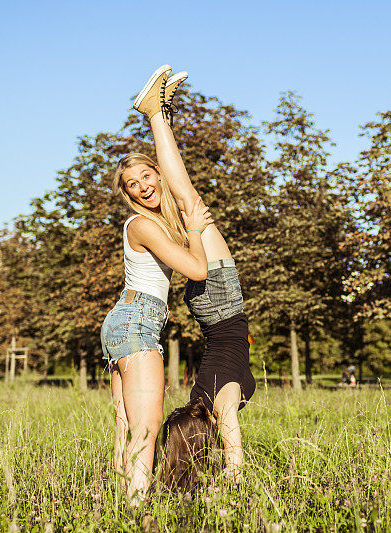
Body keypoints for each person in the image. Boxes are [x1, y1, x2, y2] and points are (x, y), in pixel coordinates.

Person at [130, 65, 256, 493]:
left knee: (185, 200)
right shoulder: (205, 398)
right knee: (182, 202)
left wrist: (235, 479)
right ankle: (160, 115)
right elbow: (227, 423)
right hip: (215, 307)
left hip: (219, 303)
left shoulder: (217, 401)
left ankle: (156, 115)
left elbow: (230, 426)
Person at [100, 64, 214, 505]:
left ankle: (115, 501)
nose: (144, 185)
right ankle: (136, 509)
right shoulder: (143, 227)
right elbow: (197, 271)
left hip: (126, 321)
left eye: (148, 175)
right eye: (134, 184)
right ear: (128, 194)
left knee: (126, 426)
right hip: (136, 323)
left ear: (158, 175)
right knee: (145, 430)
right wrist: (195, 230)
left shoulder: (150, 223)